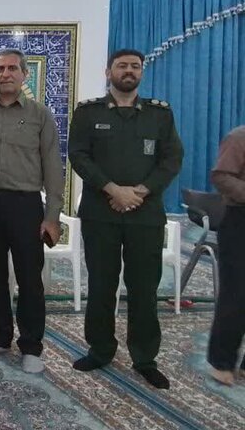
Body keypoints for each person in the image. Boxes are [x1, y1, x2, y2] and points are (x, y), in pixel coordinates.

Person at [68, 48, 183, 389]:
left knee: (144, 288)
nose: (129, 71)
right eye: (122, 66)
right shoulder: (87, 112)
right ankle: (100, 349)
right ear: (109, 72)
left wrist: (140, 192)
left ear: (142, 72)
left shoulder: (160, 114)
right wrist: (113, 190)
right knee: (101, 285)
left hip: (145, 215)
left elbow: (172, 159)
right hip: (100, 214)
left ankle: (145, 358)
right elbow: (78, 155)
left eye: (135, 66)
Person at [0, 49, 64, 374]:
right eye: (0, 69)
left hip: (25, 205)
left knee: (29, 278)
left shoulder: (40, 115)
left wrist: (52, 215)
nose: (6, 74)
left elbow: (52, 166)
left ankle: (32, 346)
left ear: (24, 74)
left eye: (12, 68)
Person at [206, 125, 245, 386]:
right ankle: (222, 362)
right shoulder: (239, 138)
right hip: (240, 222)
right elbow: (220, 176)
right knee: (236, 294)